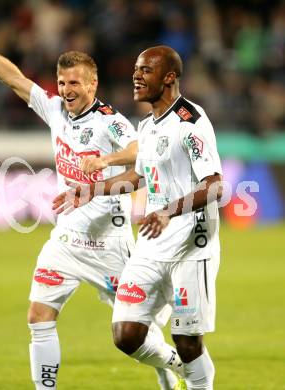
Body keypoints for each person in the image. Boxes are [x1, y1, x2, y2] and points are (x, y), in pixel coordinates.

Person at [0, 27, 186, 390]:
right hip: (66, 240)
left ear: (93, 84)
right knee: (38, 316)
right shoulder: (55, 111)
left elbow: (144, 155)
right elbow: (13, 78)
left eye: (74, 83)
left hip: (110, 246)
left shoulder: (110, 122)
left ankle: (170, 365)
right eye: (62, 82)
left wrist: (105, 161)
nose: (67, 90)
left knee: (135, 334)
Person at [53, 45, 223, 390]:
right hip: (152, 242)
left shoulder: (191, 122)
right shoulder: (146, 126)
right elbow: (138, 177)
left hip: (193, 244)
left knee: (187, 340)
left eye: (145, 70)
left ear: (169, 77)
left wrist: (167, 210)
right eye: (136, 69)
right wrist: (89, 190)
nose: (136, 75)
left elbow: (216, 186)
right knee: (126, 334)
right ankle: (174, 372)